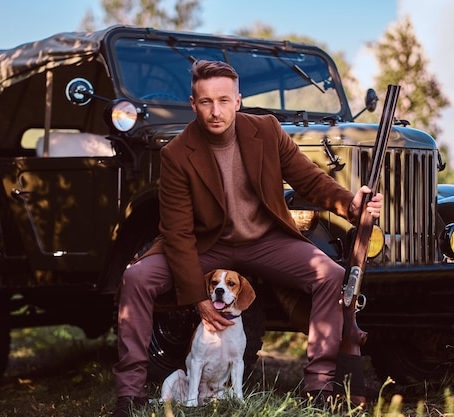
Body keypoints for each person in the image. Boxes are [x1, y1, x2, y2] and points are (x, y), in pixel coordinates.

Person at [110, 60, 383, 416]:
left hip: (264, 241)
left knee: (331, 275)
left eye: (224, 101)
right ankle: (129, 392)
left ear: (238, 101)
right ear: (193, 104)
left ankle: (321, 386)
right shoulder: (176, 154)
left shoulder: (267, 131)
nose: (215, 111)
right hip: (206, 246)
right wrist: (198, 298)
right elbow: (177, 233)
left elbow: (310, 180)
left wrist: (351, 203)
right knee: (136, 278)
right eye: (206, 102)